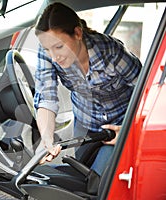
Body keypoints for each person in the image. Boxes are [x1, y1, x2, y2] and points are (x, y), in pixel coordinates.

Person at [33, 2, 142, 175]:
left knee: (97, 181)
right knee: (81, 175)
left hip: (120, 124)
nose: (54, 57)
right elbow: (47, 98)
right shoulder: (47, 51)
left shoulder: (111, 52)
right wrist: (46, 138)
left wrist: (131, 129)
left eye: (59, 47)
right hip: (85, 122)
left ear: (77, 33)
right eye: (48, 50)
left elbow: (145, 92)